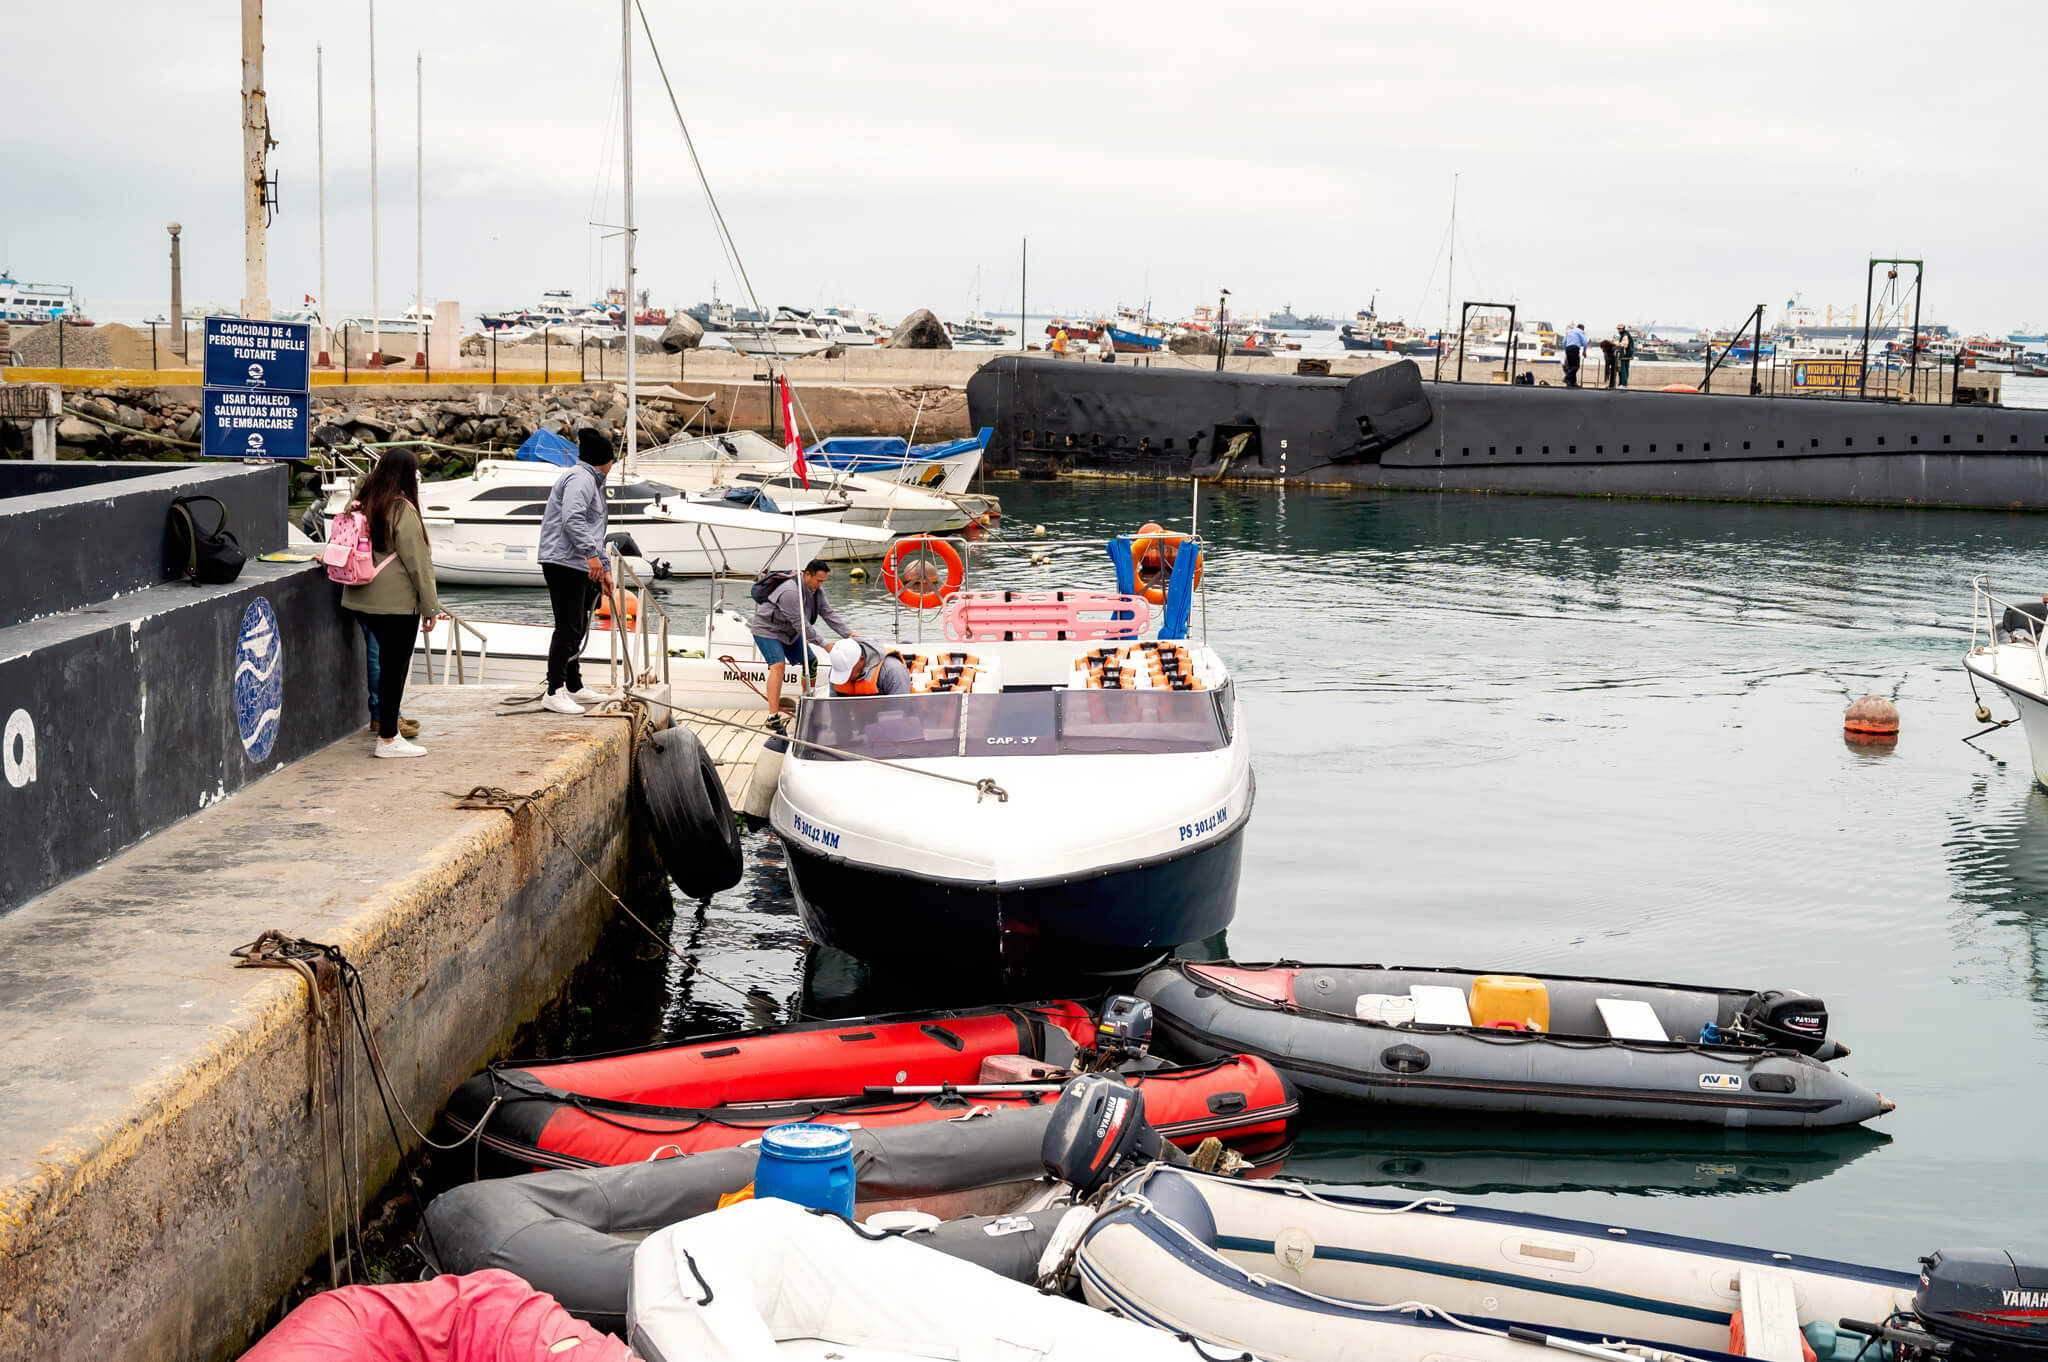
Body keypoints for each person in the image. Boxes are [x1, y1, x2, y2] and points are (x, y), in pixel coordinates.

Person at [341, 447, 439, 758]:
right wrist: (430, 607)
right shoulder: (402, 510)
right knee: (394, 669)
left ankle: (385, 728)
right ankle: (387, 738)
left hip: (359, 598)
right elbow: (418, 564)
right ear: (409, 476)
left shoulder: (361, 502)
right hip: (396, 604)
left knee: (383, 665)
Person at [537, 427, 617, 715]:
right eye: (612, 460)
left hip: (579, 562)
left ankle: (573, 685)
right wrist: (591, 556)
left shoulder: (590, 481)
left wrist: (603, 568)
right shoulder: (581, 479)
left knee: (578, 626)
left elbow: (595, 531)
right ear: (604, 460)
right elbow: (572, 519)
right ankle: (554, 690)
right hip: (564, 561)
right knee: (568, 627)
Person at [751, 558, 856, 728]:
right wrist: (825, 644)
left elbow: (828, 613)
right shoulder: (790, 592)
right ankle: (772, 717)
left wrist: (849, 633)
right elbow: (802, 625)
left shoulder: (817, 591)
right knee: (778, 666)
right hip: (767, 630)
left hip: (790, 632)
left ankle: (807, 705)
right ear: (807, 575)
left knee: (812, 662)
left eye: (823, 581)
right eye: (818, 580)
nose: (820, 585)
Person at [827, 637, 911, 697]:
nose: (846, 678)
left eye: (848, 671)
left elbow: (900, 711)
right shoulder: (837, 671)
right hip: (854, 719)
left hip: (887, 719)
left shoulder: (893, 671)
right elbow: (836, 712)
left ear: (861, 659)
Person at [1562, 322, 1587, 388]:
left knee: (1571, 367)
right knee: (1576, 366)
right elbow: (1585, 342)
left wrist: (1566, 350)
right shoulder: (1580, 331)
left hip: (1568, 348)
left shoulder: (1569, 331)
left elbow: (1563, 343)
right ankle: (1567, 378)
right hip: (1574, 348)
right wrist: (1584, 352)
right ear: (1582, 328)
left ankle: (1572, 383)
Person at [1616, 323, 1636, 388]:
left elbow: (1625, 344)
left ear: (1623, 329)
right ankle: (1624, 384)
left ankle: (1623, 384)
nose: (1619, 330)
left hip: (1624, 354)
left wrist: (1618, 344)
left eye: (1620, 329)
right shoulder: (1626, 334)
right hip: (1628, 354)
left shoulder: (1624, 335)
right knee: (1626, 369)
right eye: (1618, 329)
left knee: (1623, 370)